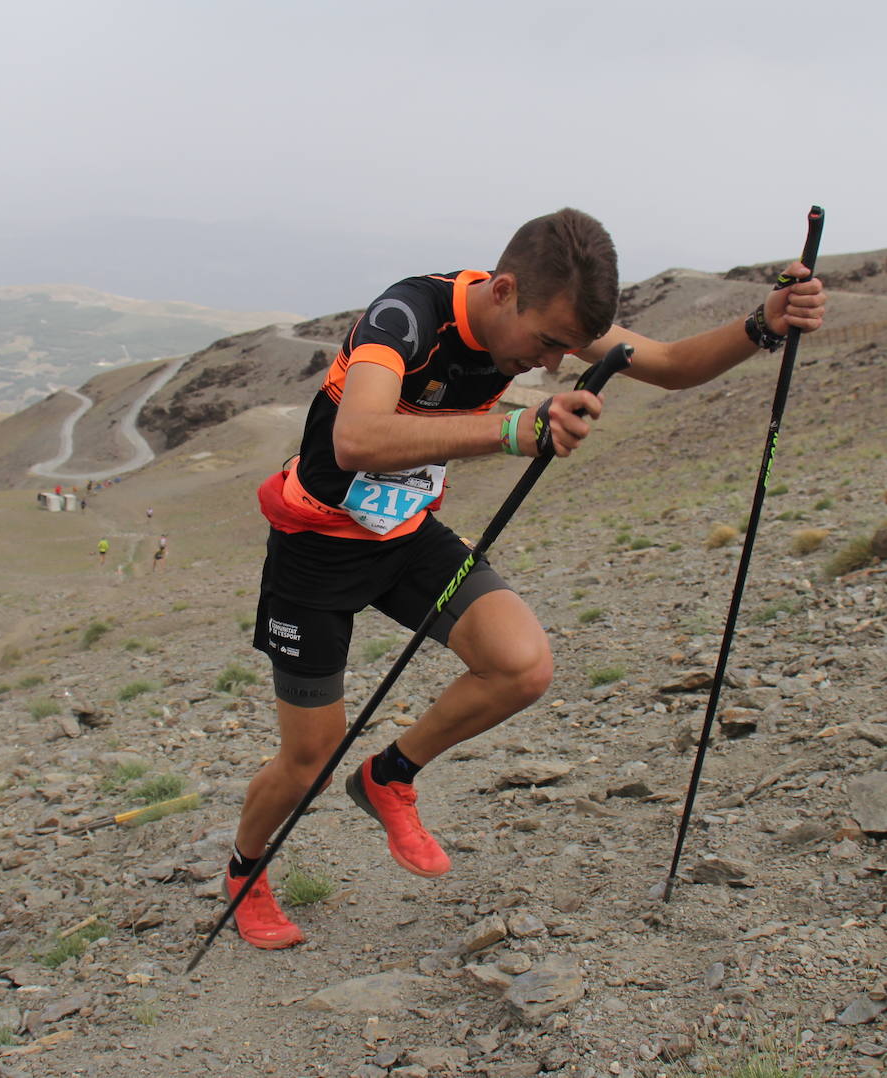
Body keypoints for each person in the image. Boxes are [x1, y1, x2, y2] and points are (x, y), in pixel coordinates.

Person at [227, 207, 827, 950]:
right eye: (548, 344)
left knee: (521, 664)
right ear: (503, 290)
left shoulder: (550, 315)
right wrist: (513, 427)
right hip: (316, 547)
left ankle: (389, 776)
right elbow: (356, 439)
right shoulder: (405, 317)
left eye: (570, 350)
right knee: (309, 755)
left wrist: (762, 325)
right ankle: (244, 870)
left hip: (406, 538)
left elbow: (670, 367)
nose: (553, 364)